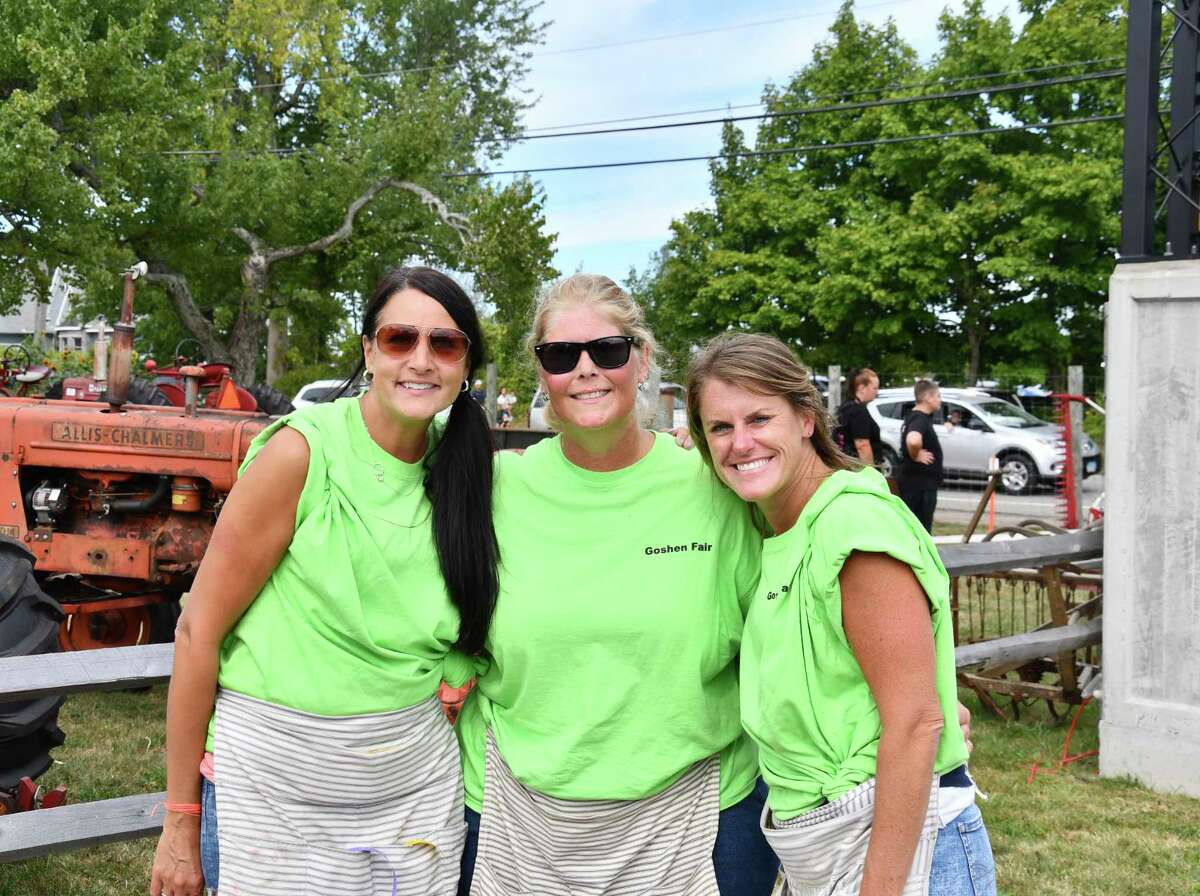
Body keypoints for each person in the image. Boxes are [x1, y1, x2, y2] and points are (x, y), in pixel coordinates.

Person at [150, 267, 499, 896]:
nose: (421, 360)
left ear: (466, 364)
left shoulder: (467, 465)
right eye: (400, 339)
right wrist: (180, 821)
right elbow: (198, 630)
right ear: (368, 349)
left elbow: (465, 590)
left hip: (413, 793)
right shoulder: (300, 455)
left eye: (445, 344)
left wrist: (454, 666)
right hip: (273, 795)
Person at [454, 274, 780, 895]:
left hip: (699, 818)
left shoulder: (717, 487)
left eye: (607, 350)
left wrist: (900, 692)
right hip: (518, 820)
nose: (585, 370)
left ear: (642, 358)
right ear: (540, 371)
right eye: (561, 355)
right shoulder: (495, 490)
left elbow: (792, 623)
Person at [686, 333, 995, 896]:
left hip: (895, 849)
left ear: (806, 418)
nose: (740, 443)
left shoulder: (852, 524)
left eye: (759, 418)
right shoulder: (781, 527)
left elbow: (914, 721)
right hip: (825, 843)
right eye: (720, 428)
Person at [899, 379, 951, 532]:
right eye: (938, 396)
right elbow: (913, 440)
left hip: (917, 484)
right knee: (920, 531)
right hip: (919, 488)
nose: (940, 400)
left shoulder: (915, 416)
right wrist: (915, 455)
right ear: (928, 398)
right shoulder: (919, 418)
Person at [835, 367, 883, 466]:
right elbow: (862, 446)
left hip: (848, 466)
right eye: (874, 388)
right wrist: (870, 474)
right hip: (860, 471)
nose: (877, 392)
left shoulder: (846, 407)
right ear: (862, 388)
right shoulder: (858, 411)